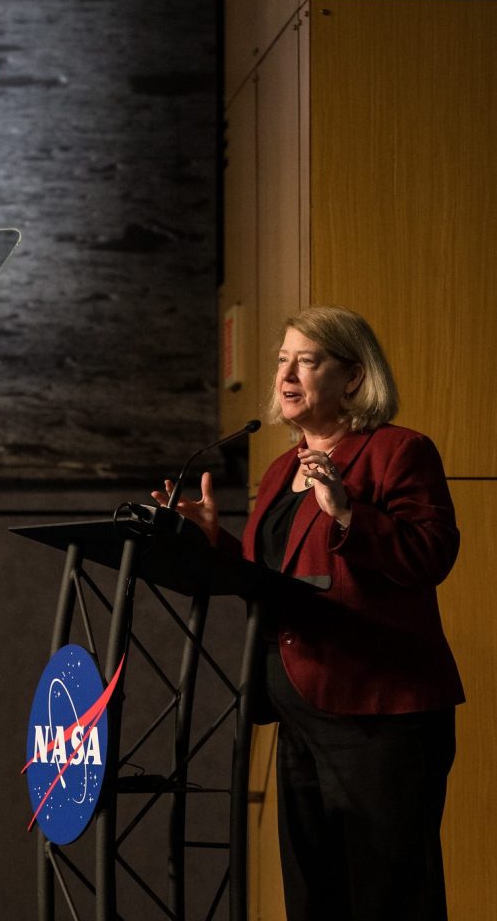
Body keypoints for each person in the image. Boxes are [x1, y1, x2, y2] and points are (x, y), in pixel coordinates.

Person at [152, 305, 463, 921]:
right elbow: (274, 579)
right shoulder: (277, 472)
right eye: (280, 361)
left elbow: (430, 556)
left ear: (351, 377)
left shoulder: (398, 452)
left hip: (377, 713)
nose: (286, 374)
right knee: (314, 895)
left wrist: (348, 512)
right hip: (297, 710)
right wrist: (213, 544)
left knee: (389, 897)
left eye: (307, 360)